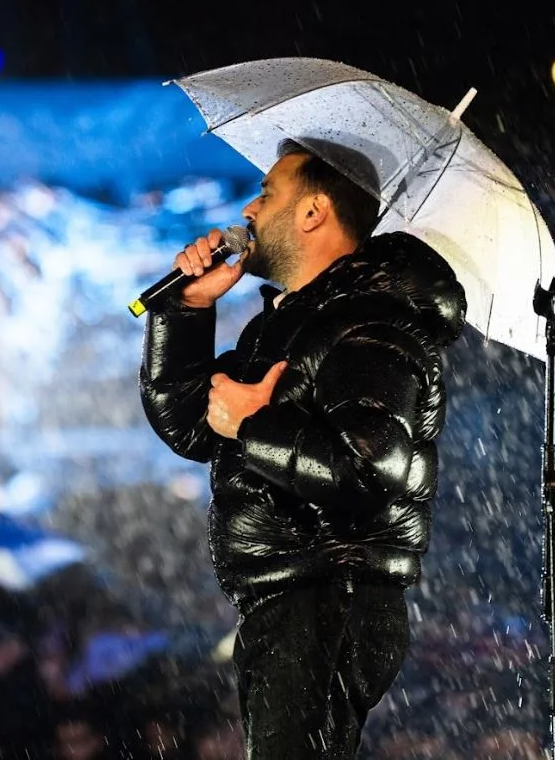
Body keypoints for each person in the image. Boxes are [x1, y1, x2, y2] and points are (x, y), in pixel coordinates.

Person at [139, 137, 466, 758]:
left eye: (267, 193)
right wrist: (186, 307)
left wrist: (254, 427)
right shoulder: (292, 327)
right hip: (294, 598)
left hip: (326, 597)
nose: (249, 212)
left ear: (314, 212)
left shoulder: (372, 324)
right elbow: (191, 423)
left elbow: (368, 471)